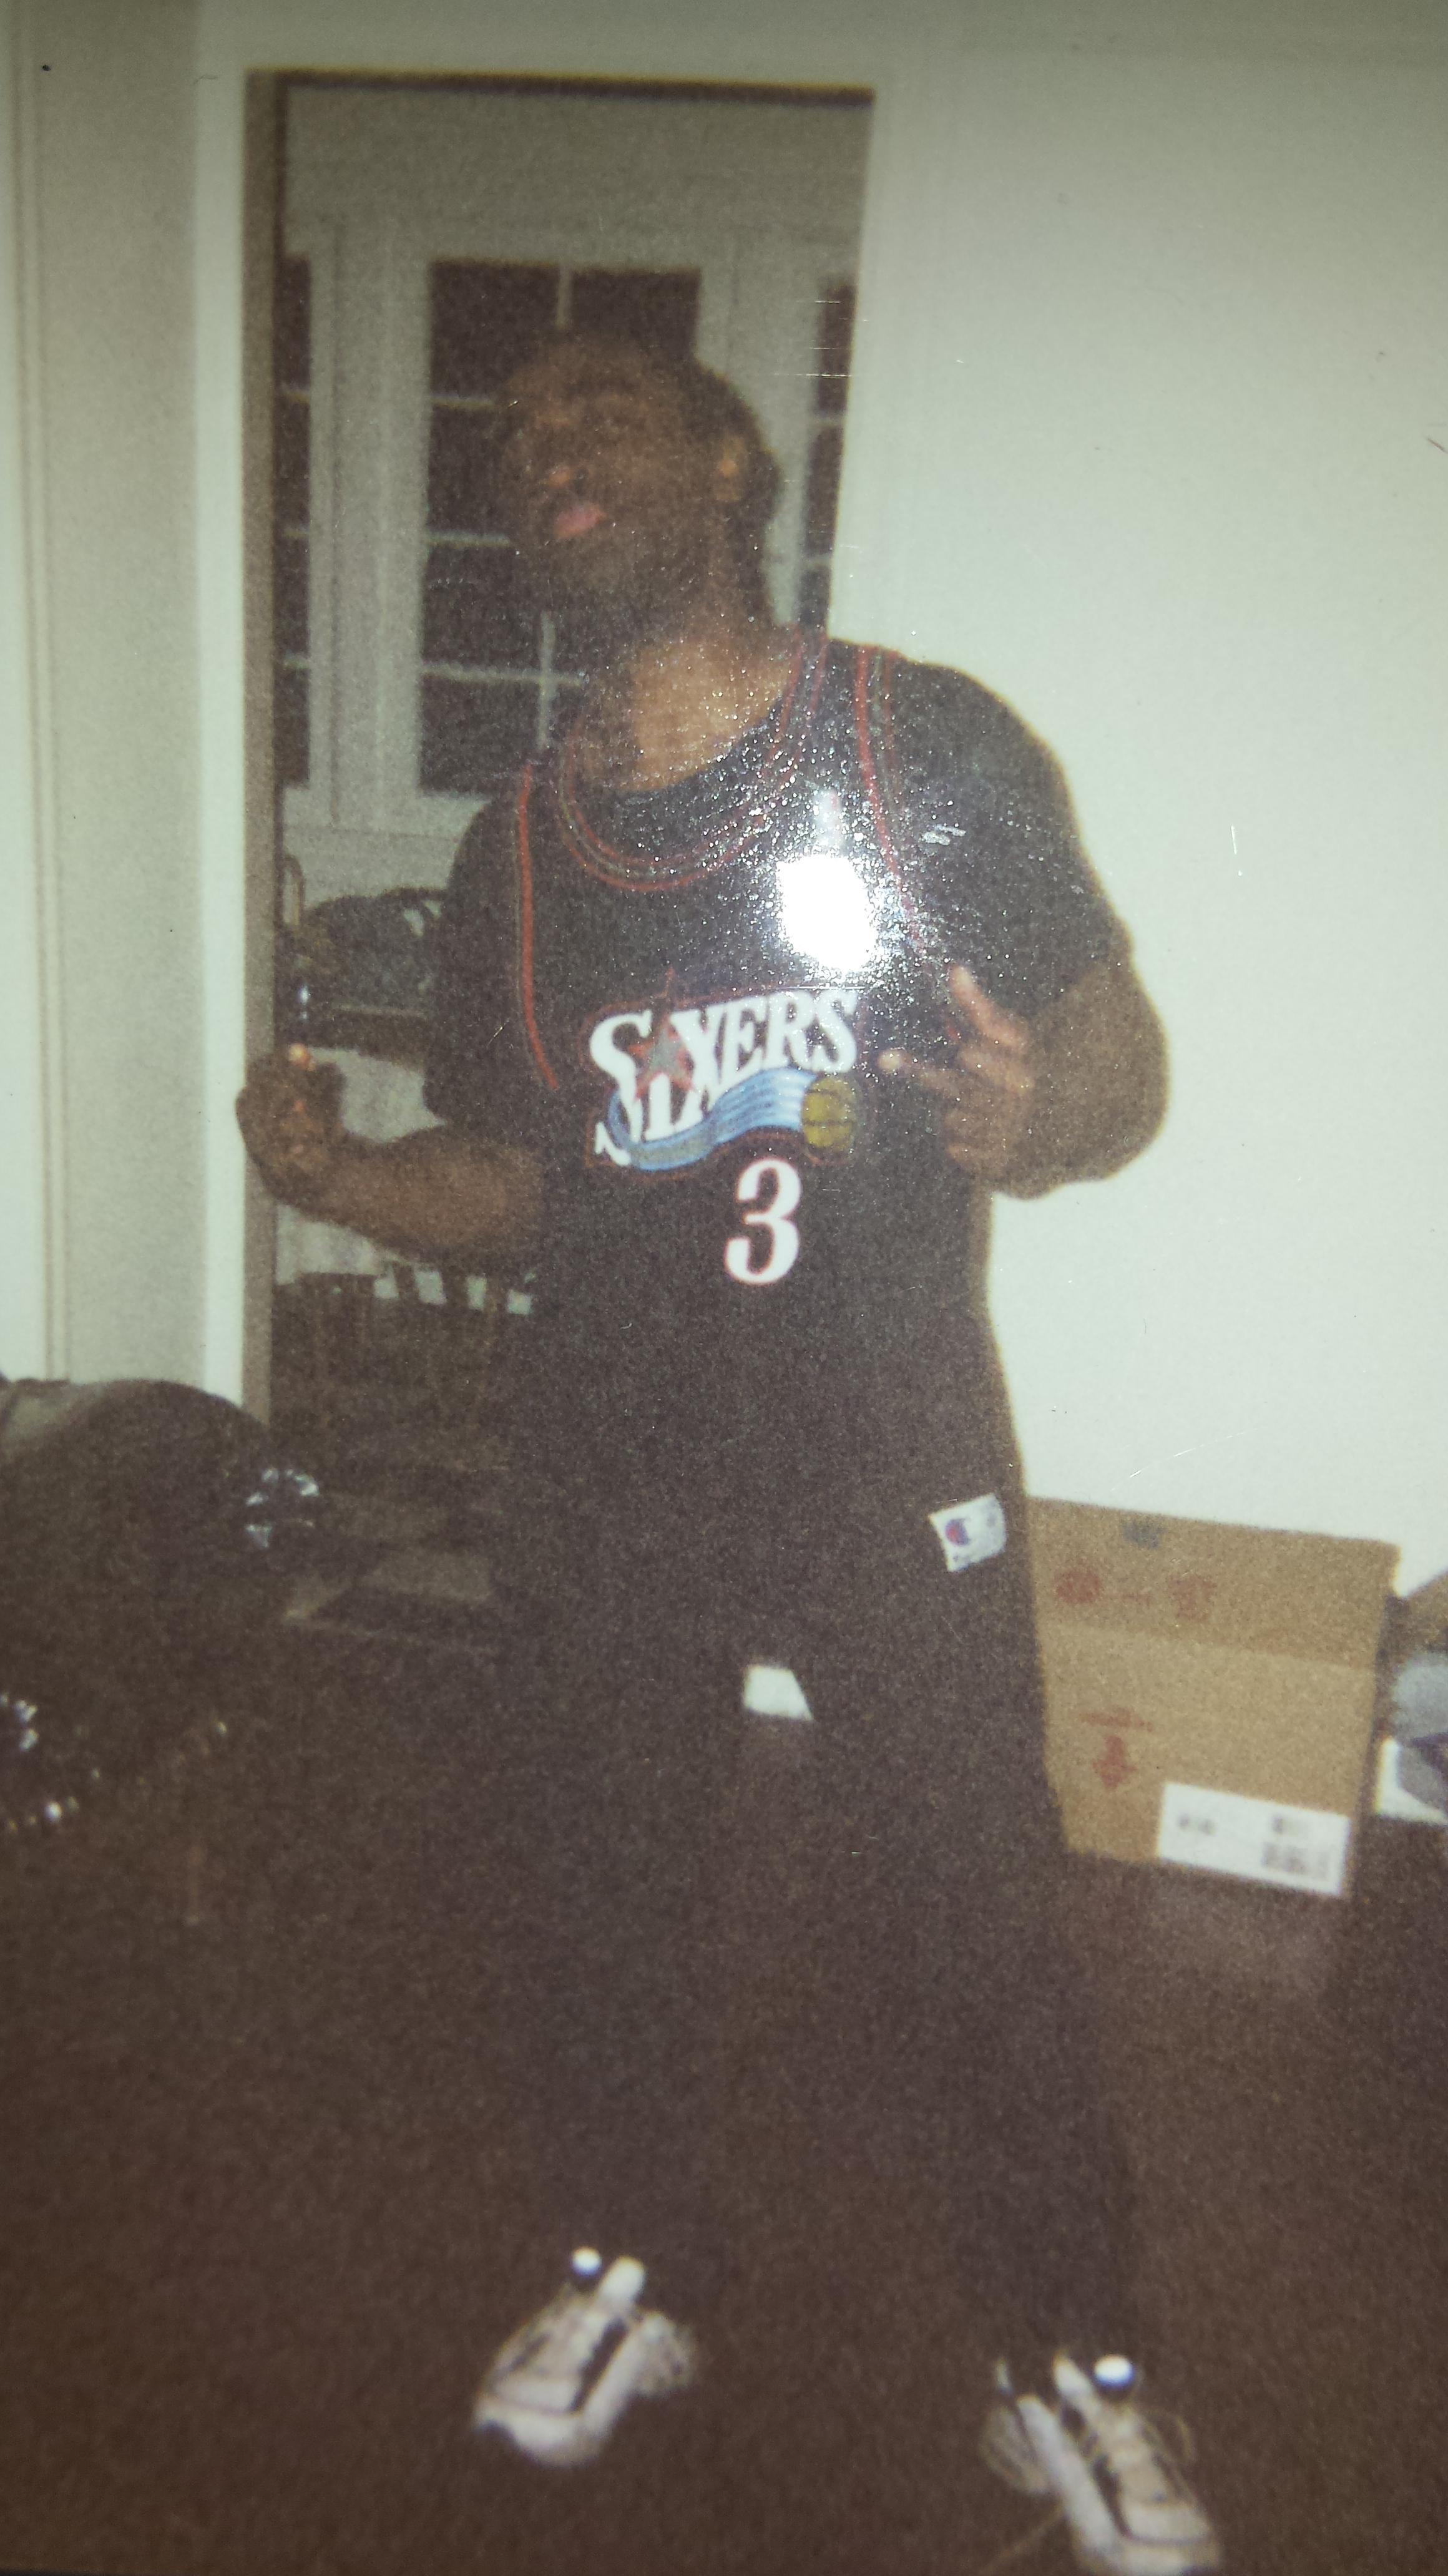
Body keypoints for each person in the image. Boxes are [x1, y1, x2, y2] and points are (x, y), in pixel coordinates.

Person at [238, 333, 1223, 2574]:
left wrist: (1049, 1118)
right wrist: (347, 1182)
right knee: (598, 1879)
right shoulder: (518, 852)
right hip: (612, 1455)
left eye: (600, 405)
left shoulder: (921, 745)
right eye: (518, 428)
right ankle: (632, 2270)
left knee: (970, 1900)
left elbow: (1113, 1055)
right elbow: (528, 1184)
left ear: (728, 460)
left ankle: (1070, 2357)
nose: (547, 443)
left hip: (886, 1441)